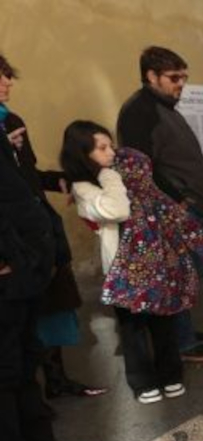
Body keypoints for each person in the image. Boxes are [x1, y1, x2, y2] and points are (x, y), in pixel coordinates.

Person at [67, 127, 203, 405]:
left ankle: (171, 375)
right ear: (82, 154)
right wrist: (110, 176)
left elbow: (182, 223)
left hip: (158, 265)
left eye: (111, 146)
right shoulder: (85, 187)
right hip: (123, 270)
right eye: (102, 148)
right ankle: (143, 381)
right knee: (133, 328)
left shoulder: (142, 188)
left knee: (163, 322)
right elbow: (116, 210)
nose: (112, 152)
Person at [2, 114, 101, 441]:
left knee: (26, 360)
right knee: (3, 373)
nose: (6, 81)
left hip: (25, 266)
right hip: (8, 265)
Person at [1, 54, 105, 398]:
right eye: (1, 76)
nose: (8, 82)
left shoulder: (13, 121)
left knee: (54, 305)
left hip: (39, 231)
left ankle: (57, 380)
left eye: (7, 75)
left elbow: (26, 176)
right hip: (14, 241)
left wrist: (62, 180)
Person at [116, 46, 203, 363]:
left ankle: (185, 331)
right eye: (174, 77)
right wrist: (178, 201)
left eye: (183, 77)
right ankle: (183, 343)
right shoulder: (139, 111)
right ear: (151, 76)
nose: (181, 84)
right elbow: (138, 166)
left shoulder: (165, 108)